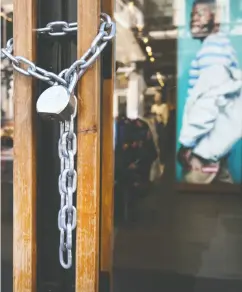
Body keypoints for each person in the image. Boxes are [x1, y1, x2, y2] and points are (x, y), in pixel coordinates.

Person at [177, 0, 242, 184]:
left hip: (203, 152)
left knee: (195, 208)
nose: (193, 20)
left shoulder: (212, 48)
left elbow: (209, 100)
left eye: (200, 14)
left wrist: (187, 144)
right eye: (192, 15)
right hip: (214, 149)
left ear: (216, 17)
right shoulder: (220, 44)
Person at [151, 90, 169, 174]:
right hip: (154, 126)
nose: (156, 98)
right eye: (155, 97)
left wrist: (159, 116)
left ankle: (162, 163)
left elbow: (165, 119)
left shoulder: (164, 106)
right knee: (155, 144)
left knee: (162, 145)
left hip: (161, 127)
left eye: (157, 97)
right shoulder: (153, 107)